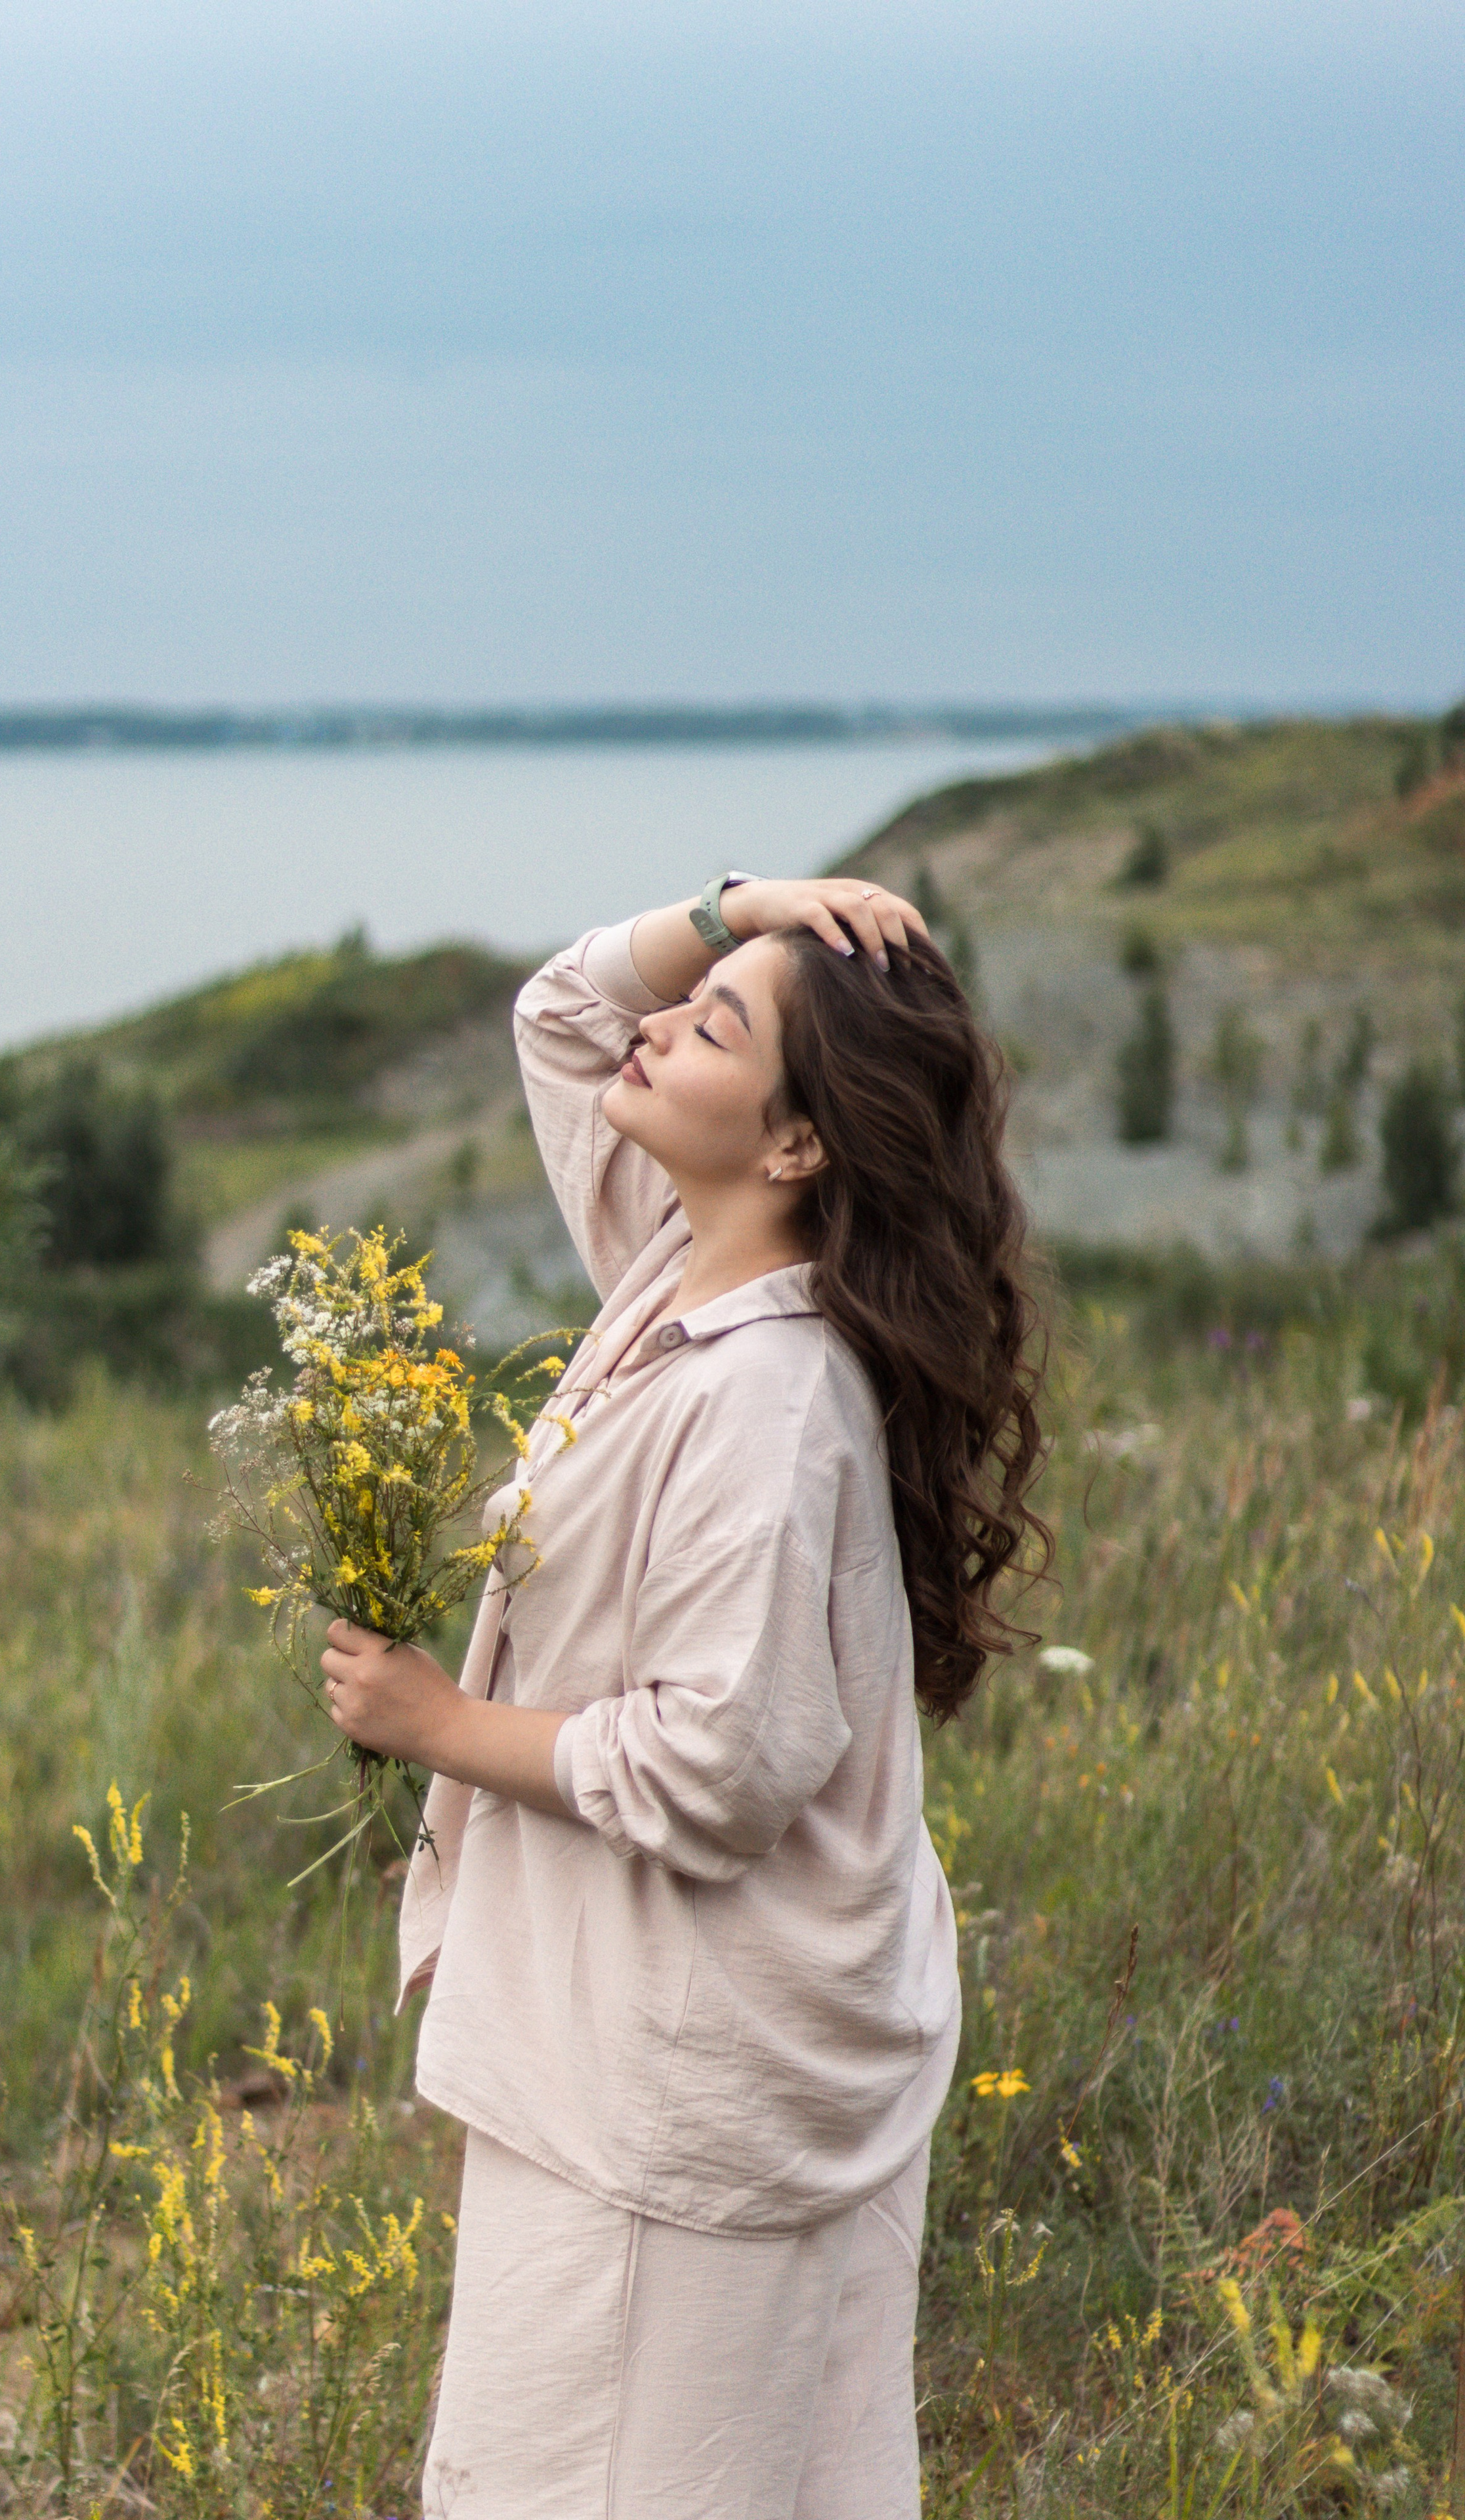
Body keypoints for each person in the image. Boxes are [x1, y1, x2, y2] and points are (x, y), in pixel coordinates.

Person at [319, 873, 1049, 2519]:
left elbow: (720, 1764)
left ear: (795, 1146)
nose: (658, 1025)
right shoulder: (678, 1268)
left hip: (688, 2068)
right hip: (633, 2031)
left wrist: (435, 1726)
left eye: (714, 1027)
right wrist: (743, 912)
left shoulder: (767, 1397)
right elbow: (564, 1011)